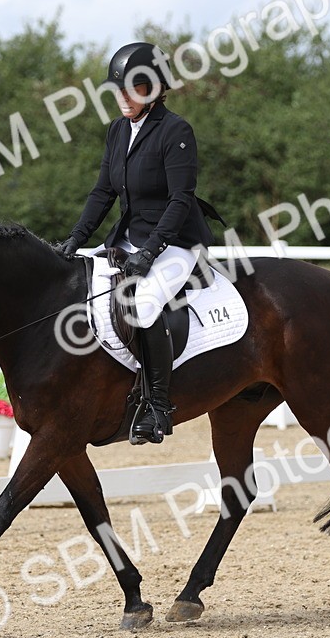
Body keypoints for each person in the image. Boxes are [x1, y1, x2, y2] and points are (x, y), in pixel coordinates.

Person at [57, 42, 218, 445]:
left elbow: (181, 199)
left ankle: (159, 406)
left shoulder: (175, 130)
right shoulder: (116, 131)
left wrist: (151, 252)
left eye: (134, 88)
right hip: (126, 239)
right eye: (119, 90)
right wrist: (75, 239)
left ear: (156, 87)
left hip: (176, 242)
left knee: (143, 306)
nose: (123, 98)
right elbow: (103, 192)